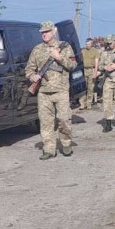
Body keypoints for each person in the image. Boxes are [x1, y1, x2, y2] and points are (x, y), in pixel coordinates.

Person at [24, 22, 77, 159]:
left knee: (64, 119)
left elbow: (73, 65)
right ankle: (49, 149)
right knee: (45, 121)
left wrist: (59, 57)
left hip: (61, 90)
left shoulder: (64, 47)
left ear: (54, 31)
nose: (44, 34)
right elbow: (29, 68)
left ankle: (66, 143)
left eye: (47, 31)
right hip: (43, 91)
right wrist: (32, 76)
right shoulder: (37, 49)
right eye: (42, 32)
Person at [80, 38, 100, 110]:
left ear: (92, 44)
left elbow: (96, 62)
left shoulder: (95, 51)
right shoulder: (83, 51)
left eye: (88, 44)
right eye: (86, 44)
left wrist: (95, 72)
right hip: (83, 70)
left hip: (91, 70)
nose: (87, 45)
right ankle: (82, 104)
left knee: (90, 88)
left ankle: (89, 104)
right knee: (82, 88)